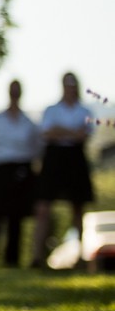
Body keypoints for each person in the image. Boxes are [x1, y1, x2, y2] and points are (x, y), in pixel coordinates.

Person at [30, 72, 96, 267]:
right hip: (54, 160)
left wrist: (61, 131)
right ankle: (37, 256)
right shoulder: (51, 110)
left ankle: (81, 255)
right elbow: (48, 132)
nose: (70, 88)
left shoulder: (84, 111)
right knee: (43, 207)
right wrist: (71, 132)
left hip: (76, 159)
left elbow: (82, 136)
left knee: (78, 207)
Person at [0, 80, 41, 267]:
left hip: (22, 170)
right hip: (0, 169)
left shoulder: (28, 123)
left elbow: (36, 148)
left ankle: (12, 260)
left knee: (16, 218)